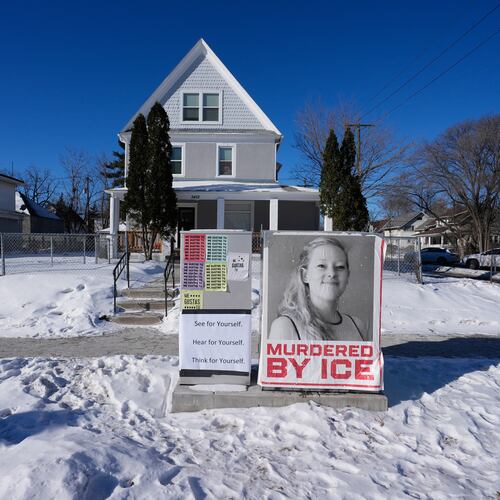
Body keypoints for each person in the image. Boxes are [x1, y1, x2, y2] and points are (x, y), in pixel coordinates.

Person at [269, 237, 367, 341]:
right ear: (305, 275)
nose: (332, 274)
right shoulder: (285, 326)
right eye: (321, 266)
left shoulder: (358, 326)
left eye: (340, 267)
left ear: (347, 276)